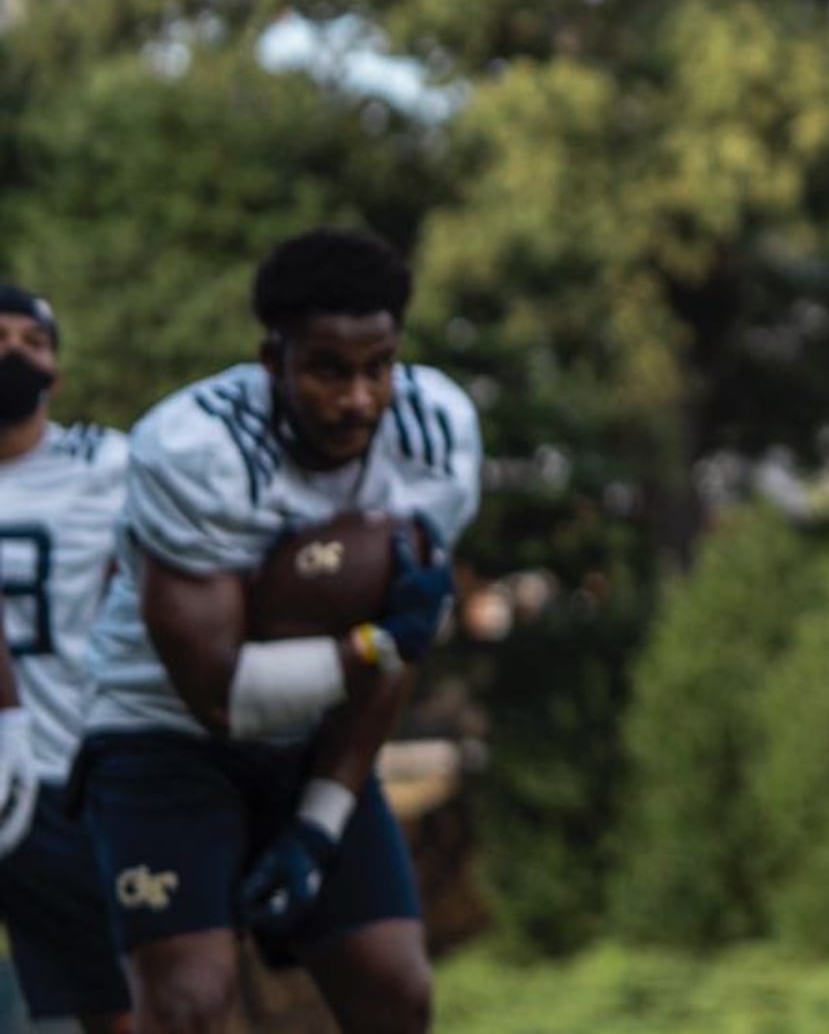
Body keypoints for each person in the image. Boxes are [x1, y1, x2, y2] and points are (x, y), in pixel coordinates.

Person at [77, 231, 476, 1034]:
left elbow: (398, 644)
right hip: (163, 733)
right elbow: (220, 696)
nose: (359, 398)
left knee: (396, 992)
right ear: (273, 360)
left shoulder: (435, 433)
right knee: (189, 1000)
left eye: (378, 367)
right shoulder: (195, 448)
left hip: (313, 734)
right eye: (329, 369)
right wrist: (375, 644)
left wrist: (318, 826)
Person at [0, 284, 137, 1034]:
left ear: (57, 367)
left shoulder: (110, 465)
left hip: (61, 768)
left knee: (107, 1006)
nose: (13, 353)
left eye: (33, 340)